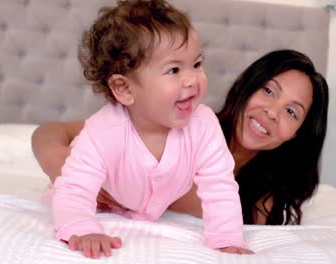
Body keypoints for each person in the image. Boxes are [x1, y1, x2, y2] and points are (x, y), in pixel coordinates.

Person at [34, 49, 329, 248]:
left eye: (292, 112)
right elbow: (49, 132)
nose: (273, 112)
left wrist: (128, 187)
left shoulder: (261, 201)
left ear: (297, 134)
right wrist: (64, 168)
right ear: (245, 86)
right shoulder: (181, 121)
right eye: (268, 91)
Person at [43, 0, 252, 259]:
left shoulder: (204, 125)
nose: (192, 79)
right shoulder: (103, 131)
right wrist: (82, 228)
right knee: (67, 190)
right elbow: (74, 189)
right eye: (174, 69)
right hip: (98, 199)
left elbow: (219, 185)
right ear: (125, 88)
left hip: (139, 205)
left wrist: (227, 237)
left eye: (197, 64)